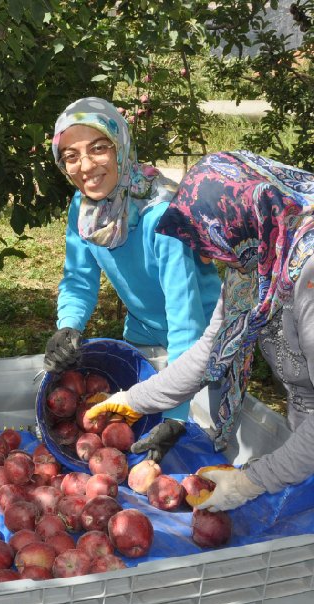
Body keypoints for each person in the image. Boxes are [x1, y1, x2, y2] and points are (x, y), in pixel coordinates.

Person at [86, 150, 314, 512]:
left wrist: (253, 481)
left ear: (235, 218)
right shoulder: (256, 256)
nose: (210, 259)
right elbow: (211, 350)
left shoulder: (307, 273)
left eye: (211, 242)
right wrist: (134, 399)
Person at [43, 97, 221, 423]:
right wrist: (68, 325)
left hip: (204, 343)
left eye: (99, 148)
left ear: (120, 145)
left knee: (195, 436)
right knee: (130, 426)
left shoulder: (163, 215)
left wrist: (177, 419)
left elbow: (187, 324)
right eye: (71, 156)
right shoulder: (84, 209)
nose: (85, 166)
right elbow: (79, 278)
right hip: (143, 335)